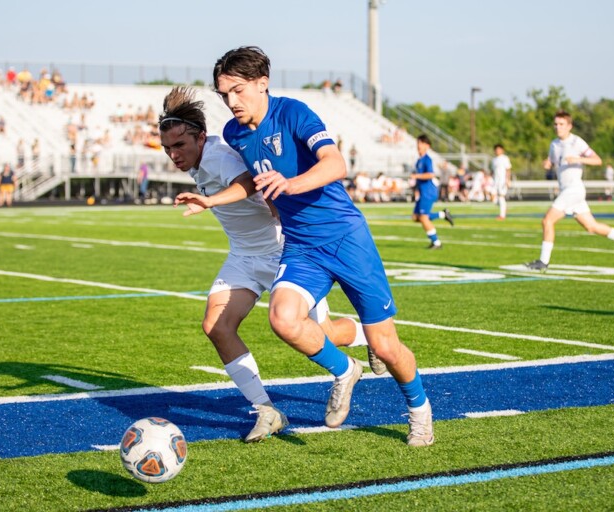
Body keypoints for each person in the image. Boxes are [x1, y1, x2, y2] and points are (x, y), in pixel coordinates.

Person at [212, 46, 434, 446]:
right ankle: (345, 370)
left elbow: (336, 165)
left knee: (386, 345)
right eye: (224, 94)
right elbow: (253, 178)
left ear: (262, 84)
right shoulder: (234, 133)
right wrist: (211, 199)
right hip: (301, 246)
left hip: (347, 239)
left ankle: (419, 410)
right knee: (282, 319)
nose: (231, 102)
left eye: (238, 91)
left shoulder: (294, 113)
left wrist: (291, 184)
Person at [163, 86, 382, 442]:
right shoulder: (199, 157)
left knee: (322, 334)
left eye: (179, 145)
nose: (174, 154)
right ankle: (267, 410)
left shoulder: (217, 155)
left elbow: (248, 182)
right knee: (216, 326)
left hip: (282, 250)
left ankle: (364, 342)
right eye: (168, 148)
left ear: (201, 137)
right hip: (244, 256)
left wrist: (211, 201)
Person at [525, 111, 614, 271]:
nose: (557, 127)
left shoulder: (577, 142)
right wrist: (548, 164)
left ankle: (543, 262)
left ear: (569, 126)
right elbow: (554, 163)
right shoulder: (554, 144)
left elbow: (598, 160)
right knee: (591, 227)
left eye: (561, 124)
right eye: (555, 124)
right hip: (567, 190)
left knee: (547, 221)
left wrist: (578, 159)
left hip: (574, 190)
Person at [412, 135, 454, 249]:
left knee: (423, 217)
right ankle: (443, 214)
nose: (418, 145)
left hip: (428, 191)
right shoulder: (419, 160)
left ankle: (436, 243)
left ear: (427, 146)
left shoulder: (427, 159)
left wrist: (417, 176)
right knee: (416, 217)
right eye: (418, 142)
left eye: (421, 143)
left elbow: (431, 174)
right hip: (422, 192)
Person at [491, 144, 512, 219]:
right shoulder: (494, 160)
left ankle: (502, 215)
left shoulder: (505, 158)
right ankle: (504, 207)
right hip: (495, 181)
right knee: (492, 196)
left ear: (502, 150)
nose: (497, 151)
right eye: (496, 149)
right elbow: (493, 171)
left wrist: (508, 180)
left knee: (501, 196)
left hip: (503, 181)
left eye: (499, 149)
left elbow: (508, 169)